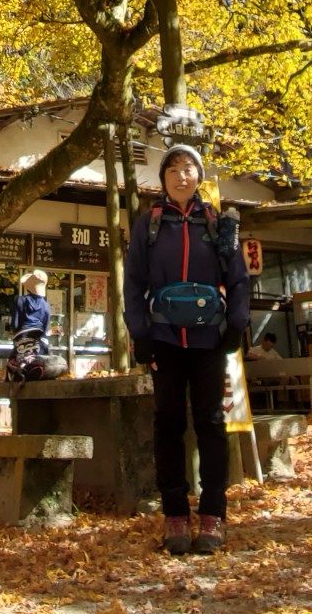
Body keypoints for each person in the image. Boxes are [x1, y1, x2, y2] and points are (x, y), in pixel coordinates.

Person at [124, 142, 250, 557]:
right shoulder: (149, 224)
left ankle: (213, 513)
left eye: (189, 168)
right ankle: (175, 514)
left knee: (211, 422)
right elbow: (133, 282)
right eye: (173, 169)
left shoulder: (218, 223)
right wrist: (139, 332)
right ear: (163, 178)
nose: (181, 176)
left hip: (208, 338)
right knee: (168, 423)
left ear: (199, 177)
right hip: (163, 338)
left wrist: (237, 324)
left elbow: (238, 278)